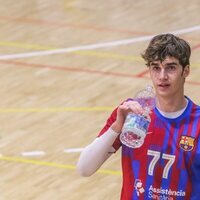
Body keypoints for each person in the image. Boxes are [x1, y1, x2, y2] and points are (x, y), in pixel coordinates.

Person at [76, 33, 200, 200]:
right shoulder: (132, 114)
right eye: (156, 67)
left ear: (185, 71)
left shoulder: (197, 122)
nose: (162, 76)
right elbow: (84, 168)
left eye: (170, 67)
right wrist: (116, 128)